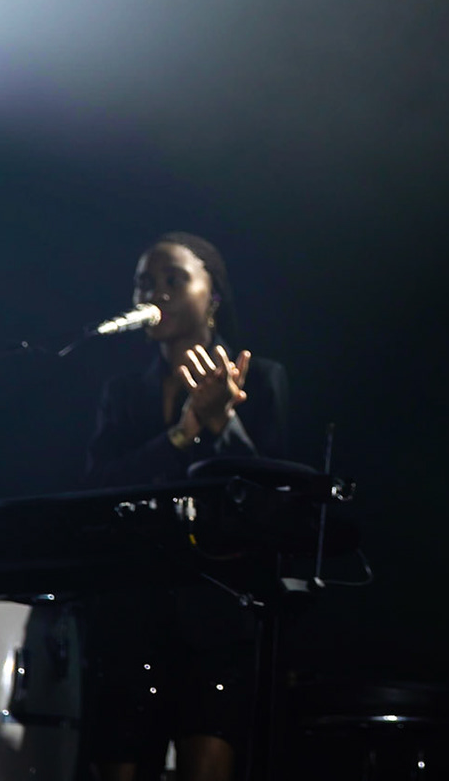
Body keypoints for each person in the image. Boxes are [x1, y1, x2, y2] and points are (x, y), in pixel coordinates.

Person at [82, 231, 289, 781]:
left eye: (175, 280)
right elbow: (99, 487)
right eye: (145, 284)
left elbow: (273, 501)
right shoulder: (123, 393)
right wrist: (180, 436)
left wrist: (224, 425)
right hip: (130, 606)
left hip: (216, 610)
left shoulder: (262, 379)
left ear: (213, 295)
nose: (158, 293)